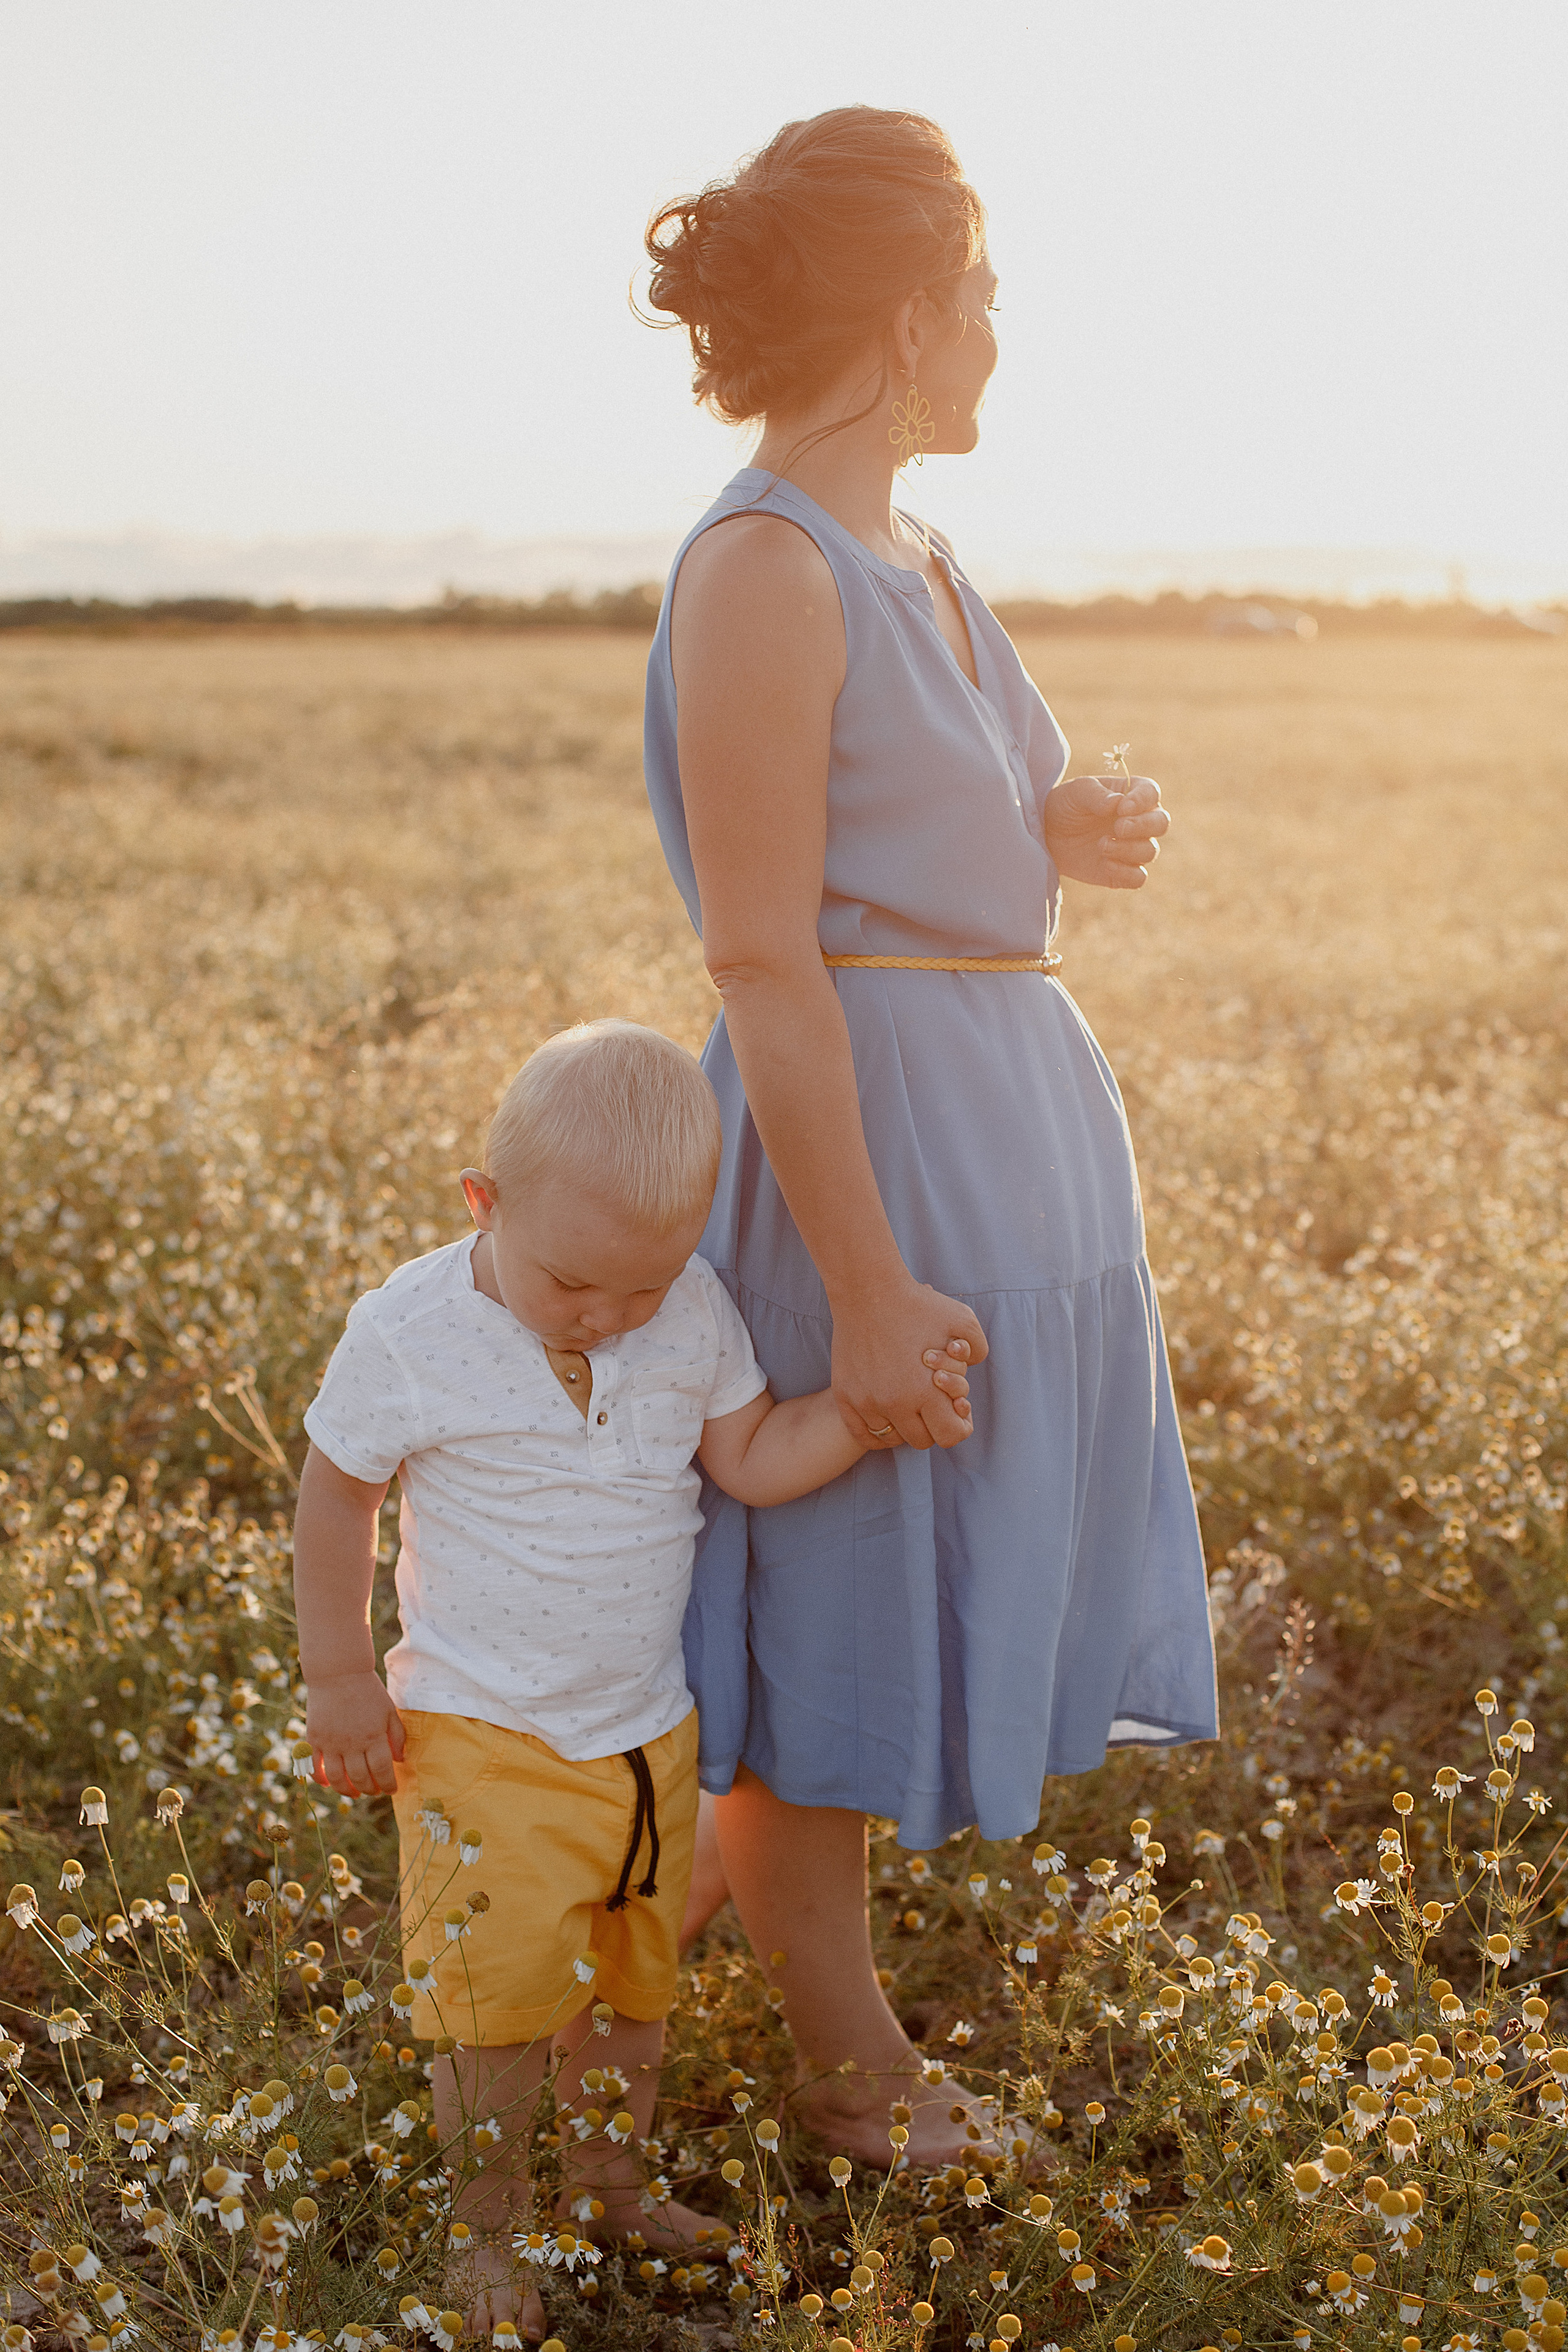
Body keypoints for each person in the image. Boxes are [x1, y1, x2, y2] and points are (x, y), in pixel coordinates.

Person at [640, 105, 1219, 2166]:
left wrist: (1059, 833)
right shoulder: (764, 571)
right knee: (835, 1600)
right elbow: (767, 959)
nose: (996, 333)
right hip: (864, 1161)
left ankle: (616, 1968)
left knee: (906, 1583)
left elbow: (934, 833)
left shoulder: (923, 552)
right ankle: (859, 2083)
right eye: (979, 296)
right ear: (906, 319)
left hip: (1020, 1119)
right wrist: (867, 1288)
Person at [292, 1019, 970, 2339]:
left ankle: (609, 2186)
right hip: (482, 1733)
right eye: (572, 1287)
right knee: (494, 2016)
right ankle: (481, 2235)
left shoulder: (690, 1309)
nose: (607, 1319)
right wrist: (335, 1673)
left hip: (642, 1737)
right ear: (484, 1205)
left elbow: (752, 1458)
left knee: (628, 1990)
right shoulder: (411, 1327)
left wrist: (861, 1411)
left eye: (639, 1290)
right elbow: (336, 1497)